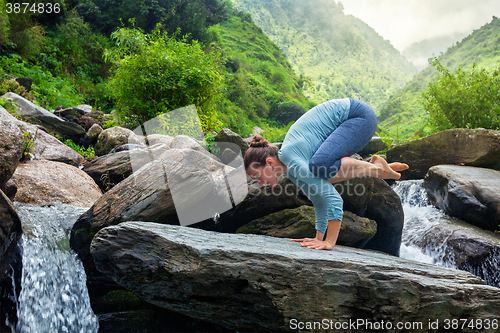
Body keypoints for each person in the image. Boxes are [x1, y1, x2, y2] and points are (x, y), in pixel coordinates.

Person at [244, 98, 408, 251]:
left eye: (257, 176)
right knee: (320, 174)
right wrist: (318, 237)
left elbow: (334, 198)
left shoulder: (291, 160)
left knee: (319, 167)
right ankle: (375, 168)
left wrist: (330, 242)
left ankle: (374, 169)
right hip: (354, 120)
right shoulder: (291, 170)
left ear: (269, 163)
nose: (259, 183)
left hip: (359, 116)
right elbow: (318, 199)